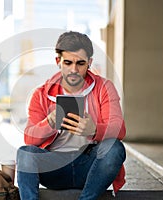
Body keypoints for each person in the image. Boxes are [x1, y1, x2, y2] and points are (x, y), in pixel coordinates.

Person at [16, 31, 126, 200]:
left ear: (89, 63)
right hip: (54, 167)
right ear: (58, 61)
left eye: (80, 63)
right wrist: (49, 123)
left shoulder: (104, 87)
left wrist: (94, 130)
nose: (74, 70)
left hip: (90, 166)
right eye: (68, 62)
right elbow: (29, 139)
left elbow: (120, 129)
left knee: (115, 148)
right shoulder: (40, 94)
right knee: (25, 153)